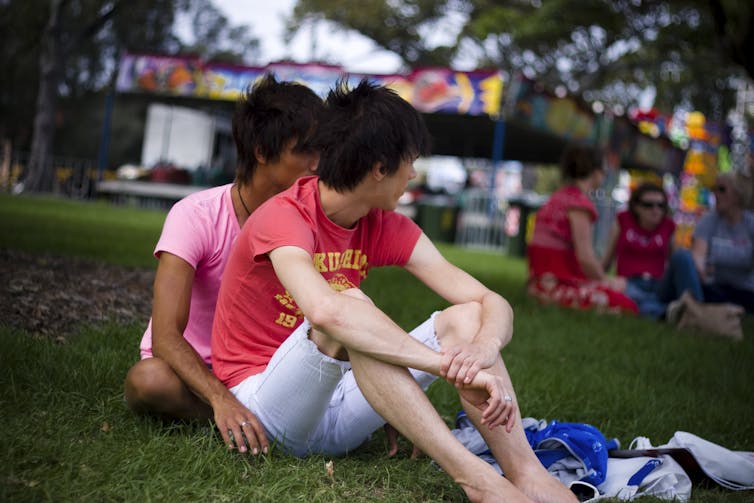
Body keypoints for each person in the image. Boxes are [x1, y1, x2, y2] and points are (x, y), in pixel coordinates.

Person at [211, 79, 577, 503]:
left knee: (465, 318)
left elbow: (491, 302)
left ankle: (526, 473)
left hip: (337, 407)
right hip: (263, 411)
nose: (414, 173)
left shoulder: (381, 222)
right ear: (380, 168)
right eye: (410, 162)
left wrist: (483, 348)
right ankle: (478, 480)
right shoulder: (285, 215)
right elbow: (326, 314)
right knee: (349, 307)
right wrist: (446, 367)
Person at [123, 74, 323, 454]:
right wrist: (220, 398)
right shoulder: (196, 215)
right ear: (263, 151)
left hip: (264, 372)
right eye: (306, 151)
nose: (318, 164)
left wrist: (380, 402)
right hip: (194, 372)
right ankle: (246, 419)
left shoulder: (313, 223)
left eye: (321, 151)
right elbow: (165, 335)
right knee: (148, 381)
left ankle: (260, 418)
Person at [526, 144, 638, 314]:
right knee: (629, 306)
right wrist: (605, 281)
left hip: (537, 285)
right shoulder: (579, 204)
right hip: (557, 287)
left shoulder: (558, 197)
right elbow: (585, 257)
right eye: (604, 169)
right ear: (594, 171)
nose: (605, 174)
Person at [601, 182, 700, 319]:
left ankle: (696, 309)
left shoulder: (668, 225)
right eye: (648, 205)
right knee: (635, 297)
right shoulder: (623, 220)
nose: (655, 210)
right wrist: (599, 279)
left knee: (683, 256)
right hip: (629, 282)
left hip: (658, 284)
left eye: (661, 205)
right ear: (636, 207)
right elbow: (607, 260)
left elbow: (675, 261)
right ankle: (668, 313)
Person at [690, 171, 754, 313]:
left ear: (738, 194)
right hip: (715, 288)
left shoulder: (750, 224)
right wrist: (701, 270)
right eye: (714, 189)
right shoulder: (708, 221)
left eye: (722, 189)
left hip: (747, 291)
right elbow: (698, 256)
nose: (715, 194)